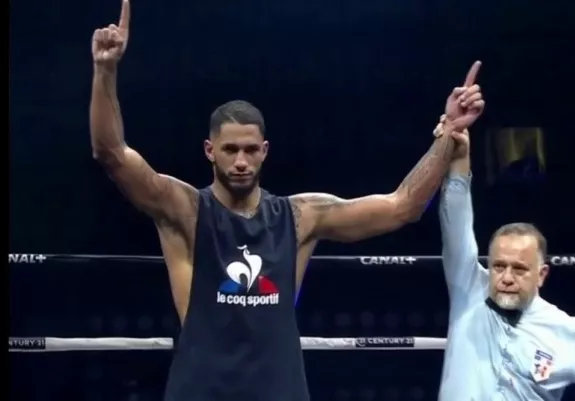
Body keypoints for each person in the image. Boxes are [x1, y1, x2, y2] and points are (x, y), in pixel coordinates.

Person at [89, 1, 484, 401]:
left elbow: (402, 207)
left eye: (249, 150)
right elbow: (111, 153)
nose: (240, 161)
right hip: (201, 390)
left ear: (264, 151)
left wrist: (448, 131)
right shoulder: (186, 210)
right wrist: (106, 70)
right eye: (230, 150)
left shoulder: (299, 216)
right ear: (210, 150)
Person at [436, 119, 575, 400]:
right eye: (498, 266)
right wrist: (459, 156)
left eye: (520, 269)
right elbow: (456, 226)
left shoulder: (566, 331)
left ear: (542, 274)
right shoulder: (470, 289)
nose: (506, 278)